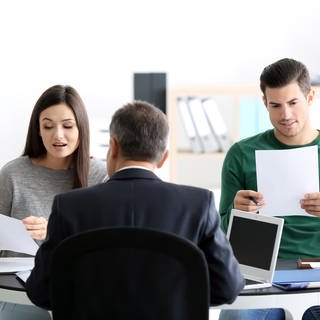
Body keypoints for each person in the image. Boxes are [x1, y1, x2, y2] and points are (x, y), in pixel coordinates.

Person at [25, 100, 245, 309]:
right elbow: (228, 288)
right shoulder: (198, 205)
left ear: (113, 147)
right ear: (163, 158)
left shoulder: (69, 206)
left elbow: (40, 291)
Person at [219, 58, 320, 320]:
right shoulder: (241, 154)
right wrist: (237, 213)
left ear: (310, 97)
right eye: (275, 105)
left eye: (293, 103)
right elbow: (219, 230)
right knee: (236, 317)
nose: (285, 115)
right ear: (265, 104)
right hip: (263, 270)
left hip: (318, 267)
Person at [0, 84, 107, 319]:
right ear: (38, 129)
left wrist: (56, 231)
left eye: (67, 126)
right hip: (18, 297)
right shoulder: (12, 174)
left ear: (81, 128)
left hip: (80, 298)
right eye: (48, 126)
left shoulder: (100, 175)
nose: (57, 135)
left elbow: (107, 244)